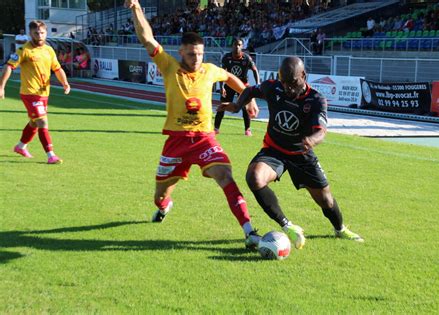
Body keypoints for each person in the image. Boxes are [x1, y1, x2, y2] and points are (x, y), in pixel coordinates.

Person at [123, 0, 261, 249]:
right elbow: (147, 38)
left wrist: (247, 98)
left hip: (204, 139)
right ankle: (165, 206)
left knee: (226, 176)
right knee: (159, 196)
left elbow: (230, 77)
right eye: (191, 54)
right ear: (181, 53)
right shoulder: (169, 66)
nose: (196, 58)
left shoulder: (209, 70)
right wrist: (135, 8)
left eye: (199, 53)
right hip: (176, 142)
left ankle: (249, 231)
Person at [218, 56, 363, 249]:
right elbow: (251, 90)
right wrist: (237, 105)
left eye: (292, 82)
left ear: (303, 75)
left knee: (326, 200)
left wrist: (311, 140)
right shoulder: (274, 87)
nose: (288, 88)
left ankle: (340, 229)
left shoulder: (316, 99)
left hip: (302, 154)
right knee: (254, 177)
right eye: (284, 83)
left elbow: (321, 130)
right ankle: (287, 225)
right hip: (274, 150)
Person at [0, 20, 70, 164]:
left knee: (34, 122)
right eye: (36, 33)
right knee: (42, 121)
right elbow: (8, 67)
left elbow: (57, 68)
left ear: (46, 33)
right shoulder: (23, 50)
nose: (39, 35)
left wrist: (65, 83)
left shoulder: (49, 50)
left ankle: (20, 146)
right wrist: (1, 87)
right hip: (29, 93)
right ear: (30, 33)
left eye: (42, 32)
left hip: (44, 93)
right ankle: (51, 155)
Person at [214, 38, 260, 136]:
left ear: (242, 46)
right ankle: (216, 128)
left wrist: (258, 84)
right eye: (235, 44)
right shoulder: (227, 57)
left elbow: (255, 70)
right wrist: (221, 87)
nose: (237, 47)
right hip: (229, 85)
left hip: (243, 86)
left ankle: (247, 129)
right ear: (232, 46)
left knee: (245, 107)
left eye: (239, 45)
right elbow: (222, 73)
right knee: (223, 105)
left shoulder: (246, 58)